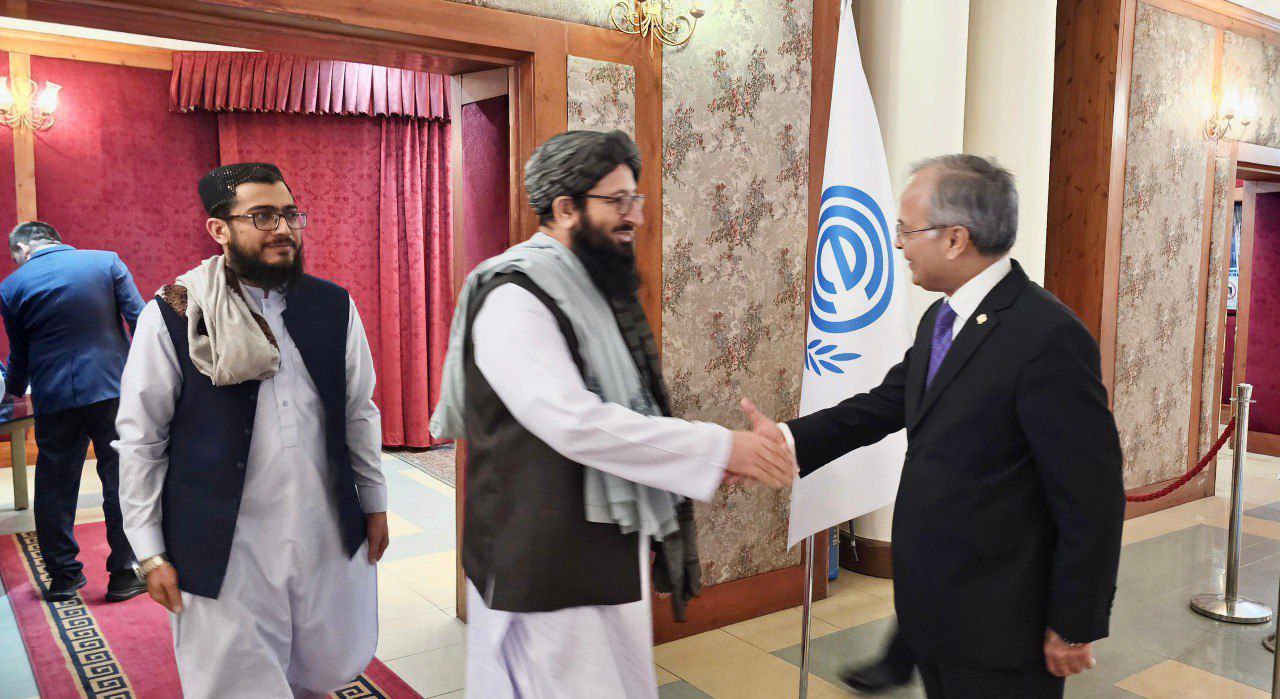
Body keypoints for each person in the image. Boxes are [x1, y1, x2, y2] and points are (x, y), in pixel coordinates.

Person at [430, 129, 797, 698]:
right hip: (547, 564)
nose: (635, 217)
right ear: (564, 209)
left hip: (602, 550)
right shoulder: (514, 296)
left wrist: (715, 459)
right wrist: (718, 447)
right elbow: (574, 422)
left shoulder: (590, 287)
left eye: (636, 199)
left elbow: (627, 408)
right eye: (618, 201)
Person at [744, 154, 1125, 698]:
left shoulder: (1047, 337)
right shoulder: (942, 318)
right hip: (938, 607)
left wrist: (1075, 621)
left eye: (906, 230)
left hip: (1004, 624)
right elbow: (886, 403)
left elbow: (1092, 496)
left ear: (954, 239)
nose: (899, 244)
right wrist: (788, 439)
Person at [115, 163, 388, 698]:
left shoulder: (333, 305)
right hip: (223, 538)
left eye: (289, 214)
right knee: (236, 680)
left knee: (323, 663)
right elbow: (142, 439)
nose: (282, 229)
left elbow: (359, 411)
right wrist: (149, 550)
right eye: (262, 216)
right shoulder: (174, 314)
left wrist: (374, 503)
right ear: (219, 229)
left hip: (322, 523)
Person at [1, 221, 146, 603]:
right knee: (119, 478)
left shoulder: (11, 287)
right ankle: (124, 574)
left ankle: (64, 578)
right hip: (111, 388)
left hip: (53, 396)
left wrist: (12, 390)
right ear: (55, 240)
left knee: (54, 486)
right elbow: (142, 320)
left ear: (21, 250)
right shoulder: (106, 262)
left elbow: (20, 354)